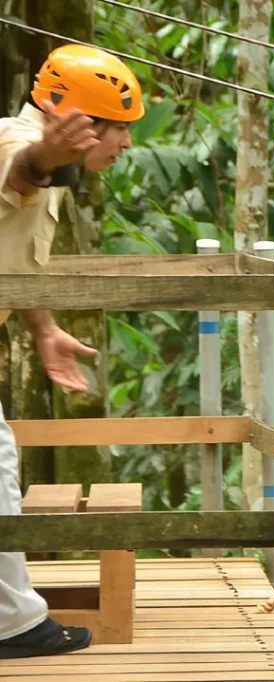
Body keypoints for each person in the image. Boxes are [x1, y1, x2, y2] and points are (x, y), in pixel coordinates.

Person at [0, 44, 144, 659]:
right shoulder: (17, 141)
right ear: (81, 123)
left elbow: (12, 246)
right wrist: (43, 159)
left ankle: (12, 621)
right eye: (119, 130)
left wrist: (43, 328)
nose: (127, 145)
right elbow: (17, 173)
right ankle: (13, 625)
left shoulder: (48, 163)